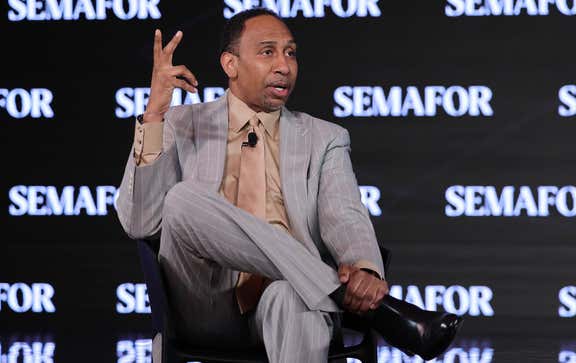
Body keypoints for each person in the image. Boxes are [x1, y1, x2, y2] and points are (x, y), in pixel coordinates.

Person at [116, 8, 462, 363]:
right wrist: (155, 115)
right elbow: (140, 221)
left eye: (291, 53)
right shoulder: (181, 123)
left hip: (290, 297)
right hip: (203, 304)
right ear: (230, 65)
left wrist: (366, 271)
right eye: (268, 52)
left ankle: (342, 294)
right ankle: (369, 306)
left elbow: (345, 215)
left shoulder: (324, 138)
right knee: (183, 200)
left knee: (293, 299)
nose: (284, 65)